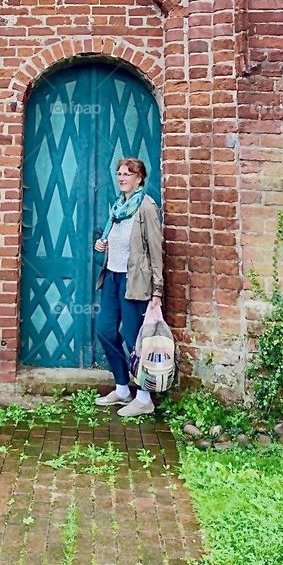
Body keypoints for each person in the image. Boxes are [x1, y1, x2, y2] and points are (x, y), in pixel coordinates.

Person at [93, 157, 164, 416]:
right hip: (112, 276)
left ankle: (144, 397)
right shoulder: (119, 205)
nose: (122, 177)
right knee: (105, 330)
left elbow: (155, 251)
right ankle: (122, 388)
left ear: (140, 178)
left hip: (134, 281)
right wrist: (104, 245)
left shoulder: (145, 206)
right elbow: (120, 240)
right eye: (120, 173)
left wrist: (157, 291)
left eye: (128, 173)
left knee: (137, 339)